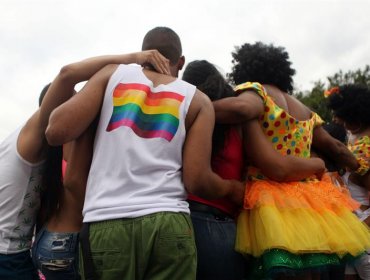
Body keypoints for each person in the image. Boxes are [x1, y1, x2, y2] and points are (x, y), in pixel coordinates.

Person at [44, 27, 245, 280]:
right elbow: (197, 180)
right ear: (180, 62)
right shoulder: (199, 101)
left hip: (107, 223)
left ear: (143, 53)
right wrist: (231, 189)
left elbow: (55, 131)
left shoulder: (111, 74)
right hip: (170, 225)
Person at [212, 42, 370, 279]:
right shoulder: (304, 109)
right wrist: (359, 165)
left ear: (244, 70)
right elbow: (335, 146)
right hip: (311, 200)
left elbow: (243, 109)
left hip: (269, 197)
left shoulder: (257, 91)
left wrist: (193, 106)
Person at [182, 60, 327, 280]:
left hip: (177, 219)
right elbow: (277, 166)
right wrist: (318, 164)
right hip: (225, 222)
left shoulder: (182, 117)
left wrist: (188, 107)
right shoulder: (242, 120)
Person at [30, 51, 168, 280]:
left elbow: (67, 74)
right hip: (70, 242)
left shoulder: (44, 143)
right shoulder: (81, 135)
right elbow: (74, 182)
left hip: (46, 237)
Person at [326, 84, 370, 280]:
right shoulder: (354, 143)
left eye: (340, 115)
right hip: (356, 239)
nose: (336, 119)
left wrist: (361, 231)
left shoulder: (364, 148)